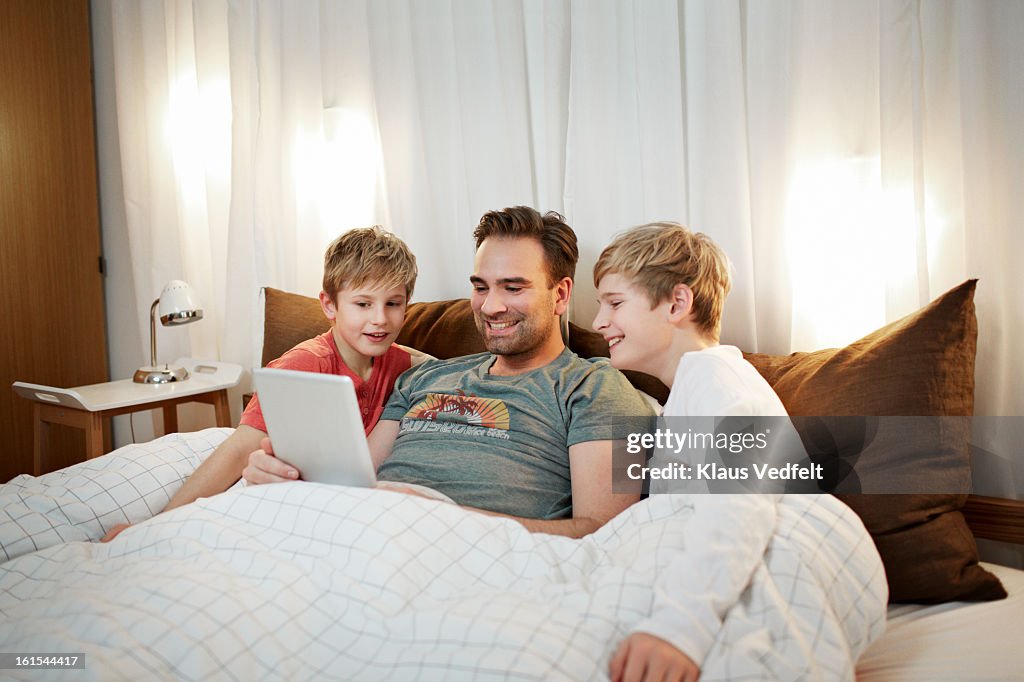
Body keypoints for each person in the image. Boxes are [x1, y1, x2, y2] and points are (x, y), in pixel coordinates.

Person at [244, 206, 657, 538]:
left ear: (560, 294)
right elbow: (354, 479)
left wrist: (445, 518)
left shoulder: (595, 387)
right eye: (481, 287)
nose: (491, 306)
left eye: (513, 288)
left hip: (458, 551)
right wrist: (282, 476)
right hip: (358, 529)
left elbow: (602, 533)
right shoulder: (424, 377)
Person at [101, 226, 421, 542]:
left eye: (393, 303)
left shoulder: (404, 365)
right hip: (273, 485)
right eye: (363, 304)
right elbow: (241, 448)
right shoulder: (304, 363)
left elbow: (440, 367)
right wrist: (156, 525)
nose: (380, 318)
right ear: (329, 305)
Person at [591, 222, 788, 682]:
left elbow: (744, 498)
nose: (599, 321)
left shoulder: (719, 381)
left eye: (615, 303)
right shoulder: (683, 395)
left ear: (678, 303)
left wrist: (682, 626)